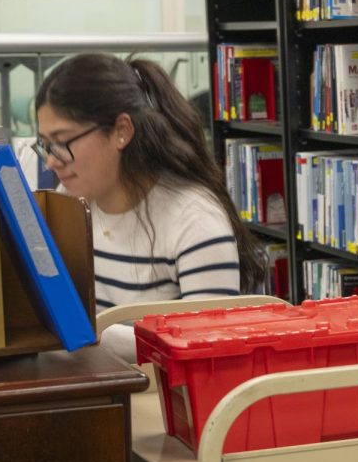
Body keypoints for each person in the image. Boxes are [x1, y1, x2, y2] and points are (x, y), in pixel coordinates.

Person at [34, 53, 262, 356]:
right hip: (94, 384)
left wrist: (87, 331)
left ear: (121, 131)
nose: (51, 160)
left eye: (63, 142)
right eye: (45, 144)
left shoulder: (194, 220)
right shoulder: (70, 200)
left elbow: (209, 349)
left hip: (157, 398)